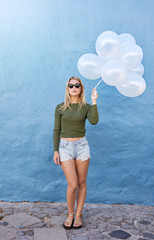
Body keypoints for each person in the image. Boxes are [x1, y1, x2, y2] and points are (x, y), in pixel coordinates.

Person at [53, 76, 99, 229]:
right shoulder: (60, 107)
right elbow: (56, 130)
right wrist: (55, 150)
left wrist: (94, 101)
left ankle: (78, 214)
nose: (73, 88)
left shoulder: (85, 106)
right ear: (67, 88)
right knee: (72, 185)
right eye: (70, 85)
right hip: (65, 147)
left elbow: (94, 121)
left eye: (77, 85)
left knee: (81, 182)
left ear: (81, 88)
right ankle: (70, 214)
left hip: (82, 146)